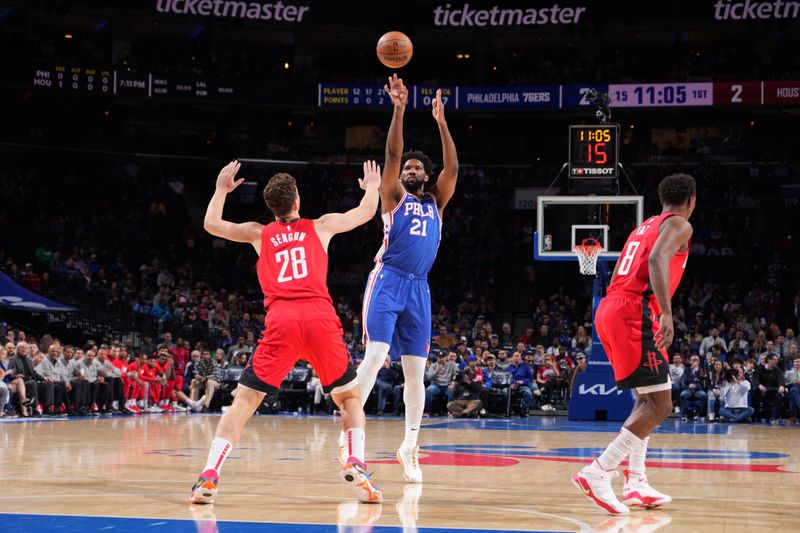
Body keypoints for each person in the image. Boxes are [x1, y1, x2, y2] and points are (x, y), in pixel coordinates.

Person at [190, 159, 383, 504]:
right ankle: (355, 460)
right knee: (350, 398)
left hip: (281, 321)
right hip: (319, 318)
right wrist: (371, 187)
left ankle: (209, 475)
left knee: (243, 404)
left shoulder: (258, 233)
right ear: (297, 201)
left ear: (272, 207)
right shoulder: (320, 226)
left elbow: (211, 224)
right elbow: (366, 212)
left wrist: (221, 189)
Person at [345, 74, 458, 484]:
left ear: (425, 176)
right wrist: (399, 108)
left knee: (416, 371)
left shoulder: (437, 202)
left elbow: (453, 166)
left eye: (416, 168)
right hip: (388, 279)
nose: (410, 170)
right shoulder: (394, 198)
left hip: (419, 288)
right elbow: (391, 155)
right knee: (375, 357)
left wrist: (442, 122)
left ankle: (410, 446)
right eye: (407, 167)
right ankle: (349, 432)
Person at [573, 174, 696, 515]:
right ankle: (598, 472)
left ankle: (636, 481)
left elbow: (617, 275)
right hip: (635, 311)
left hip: (613, 306)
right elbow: (657, 260)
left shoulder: (644, 226)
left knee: (645, 400)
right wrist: (666, 314)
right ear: (690, 201)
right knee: (660, 405)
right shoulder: (680, 225)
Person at [753, 353, 786, 424]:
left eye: (777, 360)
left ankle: (774, 417)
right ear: (769, 360)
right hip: (761, 391)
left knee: (778, 395)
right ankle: (755, 416)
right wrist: (759, 385)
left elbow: (781, 380)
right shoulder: (760, 369)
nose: (777, 362)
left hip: (772, 392)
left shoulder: (777, 370)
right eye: (774, 360)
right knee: (755, 390)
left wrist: (781, 386)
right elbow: (755, 380)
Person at [784, 356, 800, 425]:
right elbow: (785, 383)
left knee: (793, 396)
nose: (797, 363)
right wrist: (792, 382)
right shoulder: (788, 372)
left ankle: (793, 417)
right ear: (793, 363)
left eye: (798, 362)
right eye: (795, 362)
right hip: (793, 388)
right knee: (794, 390)